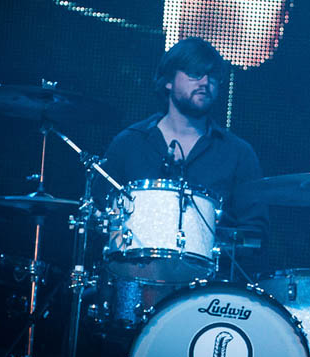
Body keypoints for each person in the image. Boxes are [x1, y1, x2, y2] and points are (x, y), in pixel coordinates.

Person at [99, 37, 269, 265]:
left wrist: (212, 244)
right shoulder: (129, 144)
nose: (205, 82)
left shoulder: (239, 153)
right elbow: (99, 216)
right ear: (168, 81)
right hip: (135, 278)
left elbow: (254, 233)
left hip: (209, 290)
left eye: (212, 76)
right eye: (194, 74)